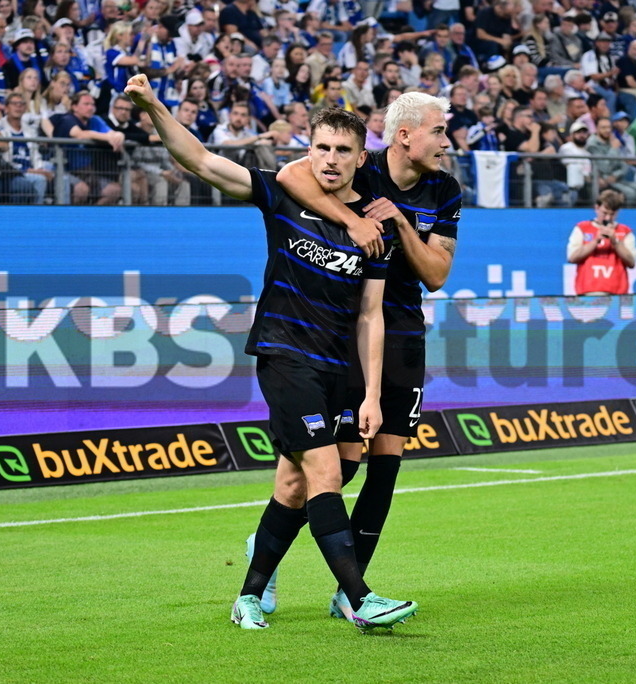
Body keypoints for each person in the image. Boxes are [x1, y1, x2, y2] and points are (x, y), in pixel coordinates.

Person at [124, 72, 418, 633]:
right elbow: (203, 161)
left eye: (343, 151)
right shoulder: (283, 194)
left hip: (340, 369)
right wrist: (154, 104)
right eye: (322, 148)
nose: (330, 160)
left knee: (293, 485)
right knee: (326, 472)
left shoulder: (376, 227)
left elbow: (370, 316)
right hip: (284, 356)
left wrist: (373, 394)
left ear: (362, 158)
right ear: (310, 150)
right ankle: (360, 598)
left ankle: (249, 596)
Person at [274, 91, 460, 622]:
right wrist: (353, 221)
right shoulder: (362, 165)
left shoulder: (444, 190)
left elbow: (437, 274)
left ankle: (349, 594)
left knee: (386, 466)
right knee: (338, 468)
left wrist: (400, 223)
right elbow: (292, 174)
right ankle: (266, 550)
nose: (445, 143)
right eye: (439, 131)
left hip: (404, 336)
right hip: (353, 331)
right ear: (406, 136)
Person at [567, 189, 636, 295]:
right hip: (588, 292)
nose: (608, 218)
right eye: (604, 213)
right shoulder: (582, 228)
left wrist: (615, 241)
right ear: (597, 208)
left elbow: (631, 262)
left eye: (612, 214)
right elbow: (572, 257)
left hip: (617, 294)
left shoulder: (625, 232)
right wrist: (596, 241)